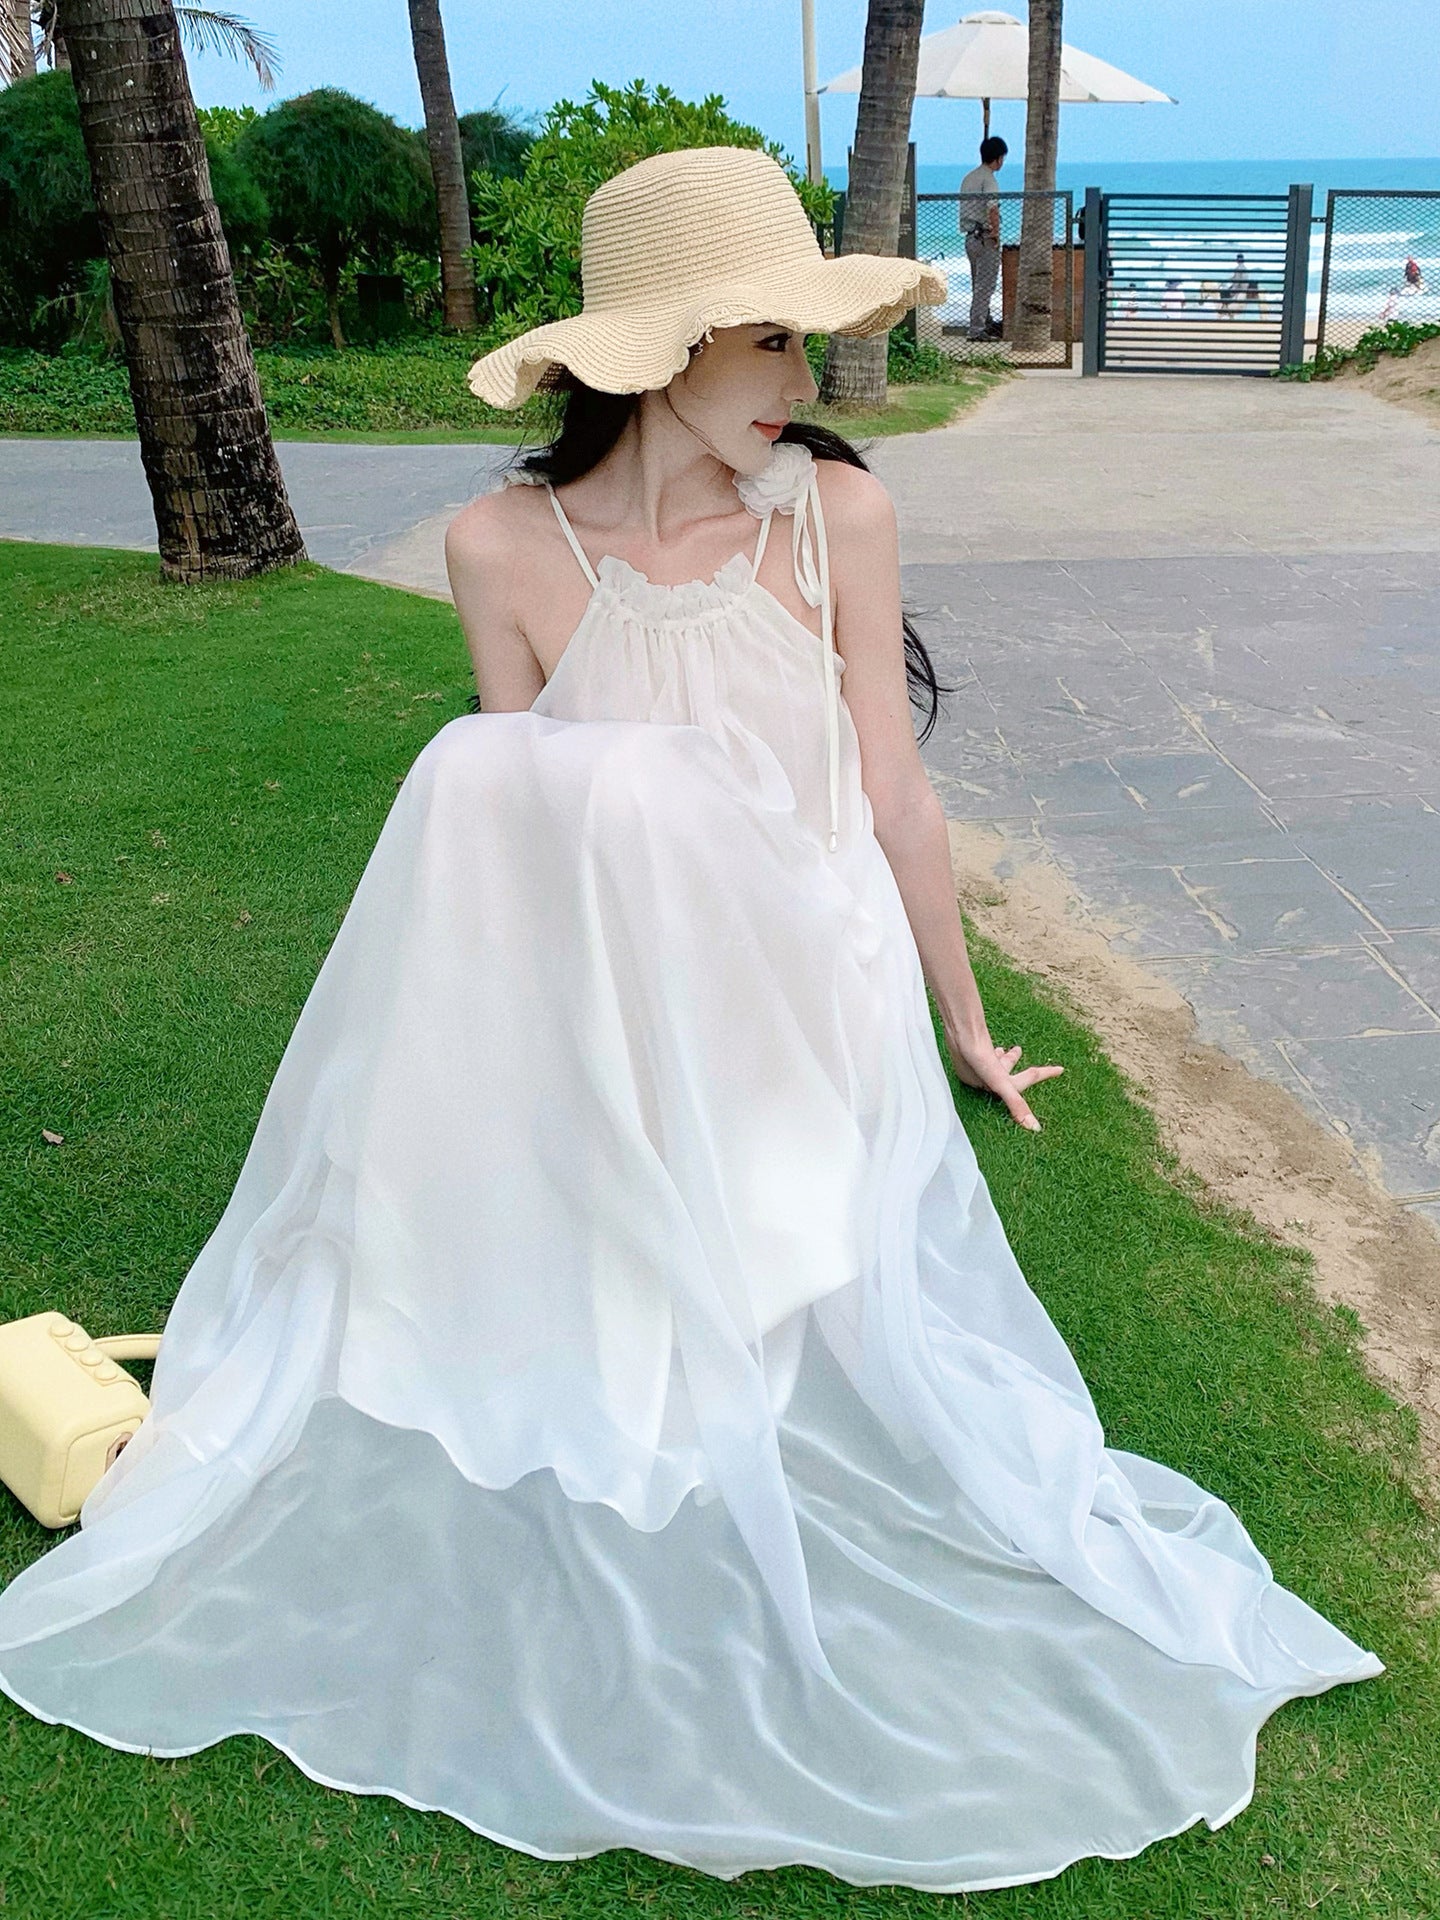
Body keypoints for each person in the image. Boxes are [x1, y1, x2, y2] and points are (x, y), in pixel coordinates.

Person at [0, 146, 1383, 1895]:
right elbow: (526, 840)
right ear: (659, 358)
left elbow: (891, 797)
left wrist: (961, 1024)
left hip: (800, 965)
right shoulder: (500, 544)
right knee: (493, 778)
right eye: (771, 349)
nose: (806, 389)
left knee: (765, 1293)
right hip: (608, 970)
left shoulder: (830, 516)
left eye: (806, 351)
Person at [958, 133, 1007, 340]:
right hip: (985, 237)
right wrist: (995, 232)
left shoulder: (969, 178)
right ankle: (977, 329)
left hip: (970, 237)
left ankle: (984, 321)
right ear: (997, 158)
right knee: (986, 285)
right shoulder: (989, 179)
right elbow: (992, 207)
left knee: (977, 282)